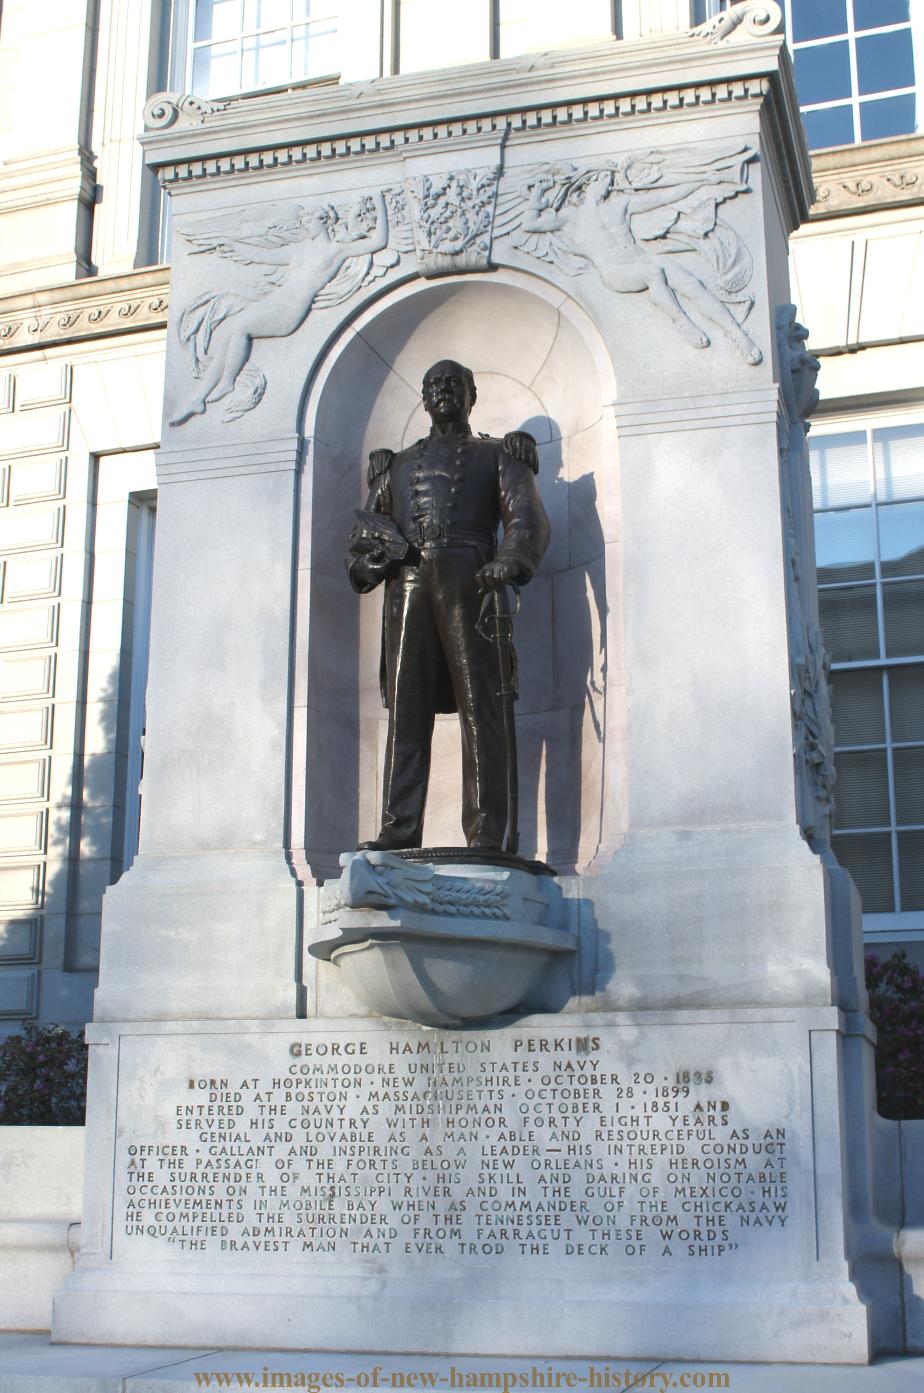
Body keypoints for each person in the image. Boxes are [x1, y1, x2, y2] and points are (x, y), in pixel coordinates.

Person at [347, 359, 550, 851]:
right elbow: (364, 538)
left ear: (471, 395)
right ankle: (399, 828)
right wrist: (370, 563)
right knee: (407, 710)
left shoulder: (497, 454)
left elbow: (527, 519)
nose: (443, 391)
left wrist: (510, 559)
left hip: (472, 578)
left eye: (453, 384)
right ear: (422, 396)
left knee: (483, 708)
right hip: (409, 583)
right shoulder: (395, 464)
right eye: (434, 384)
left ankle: (485, 831)